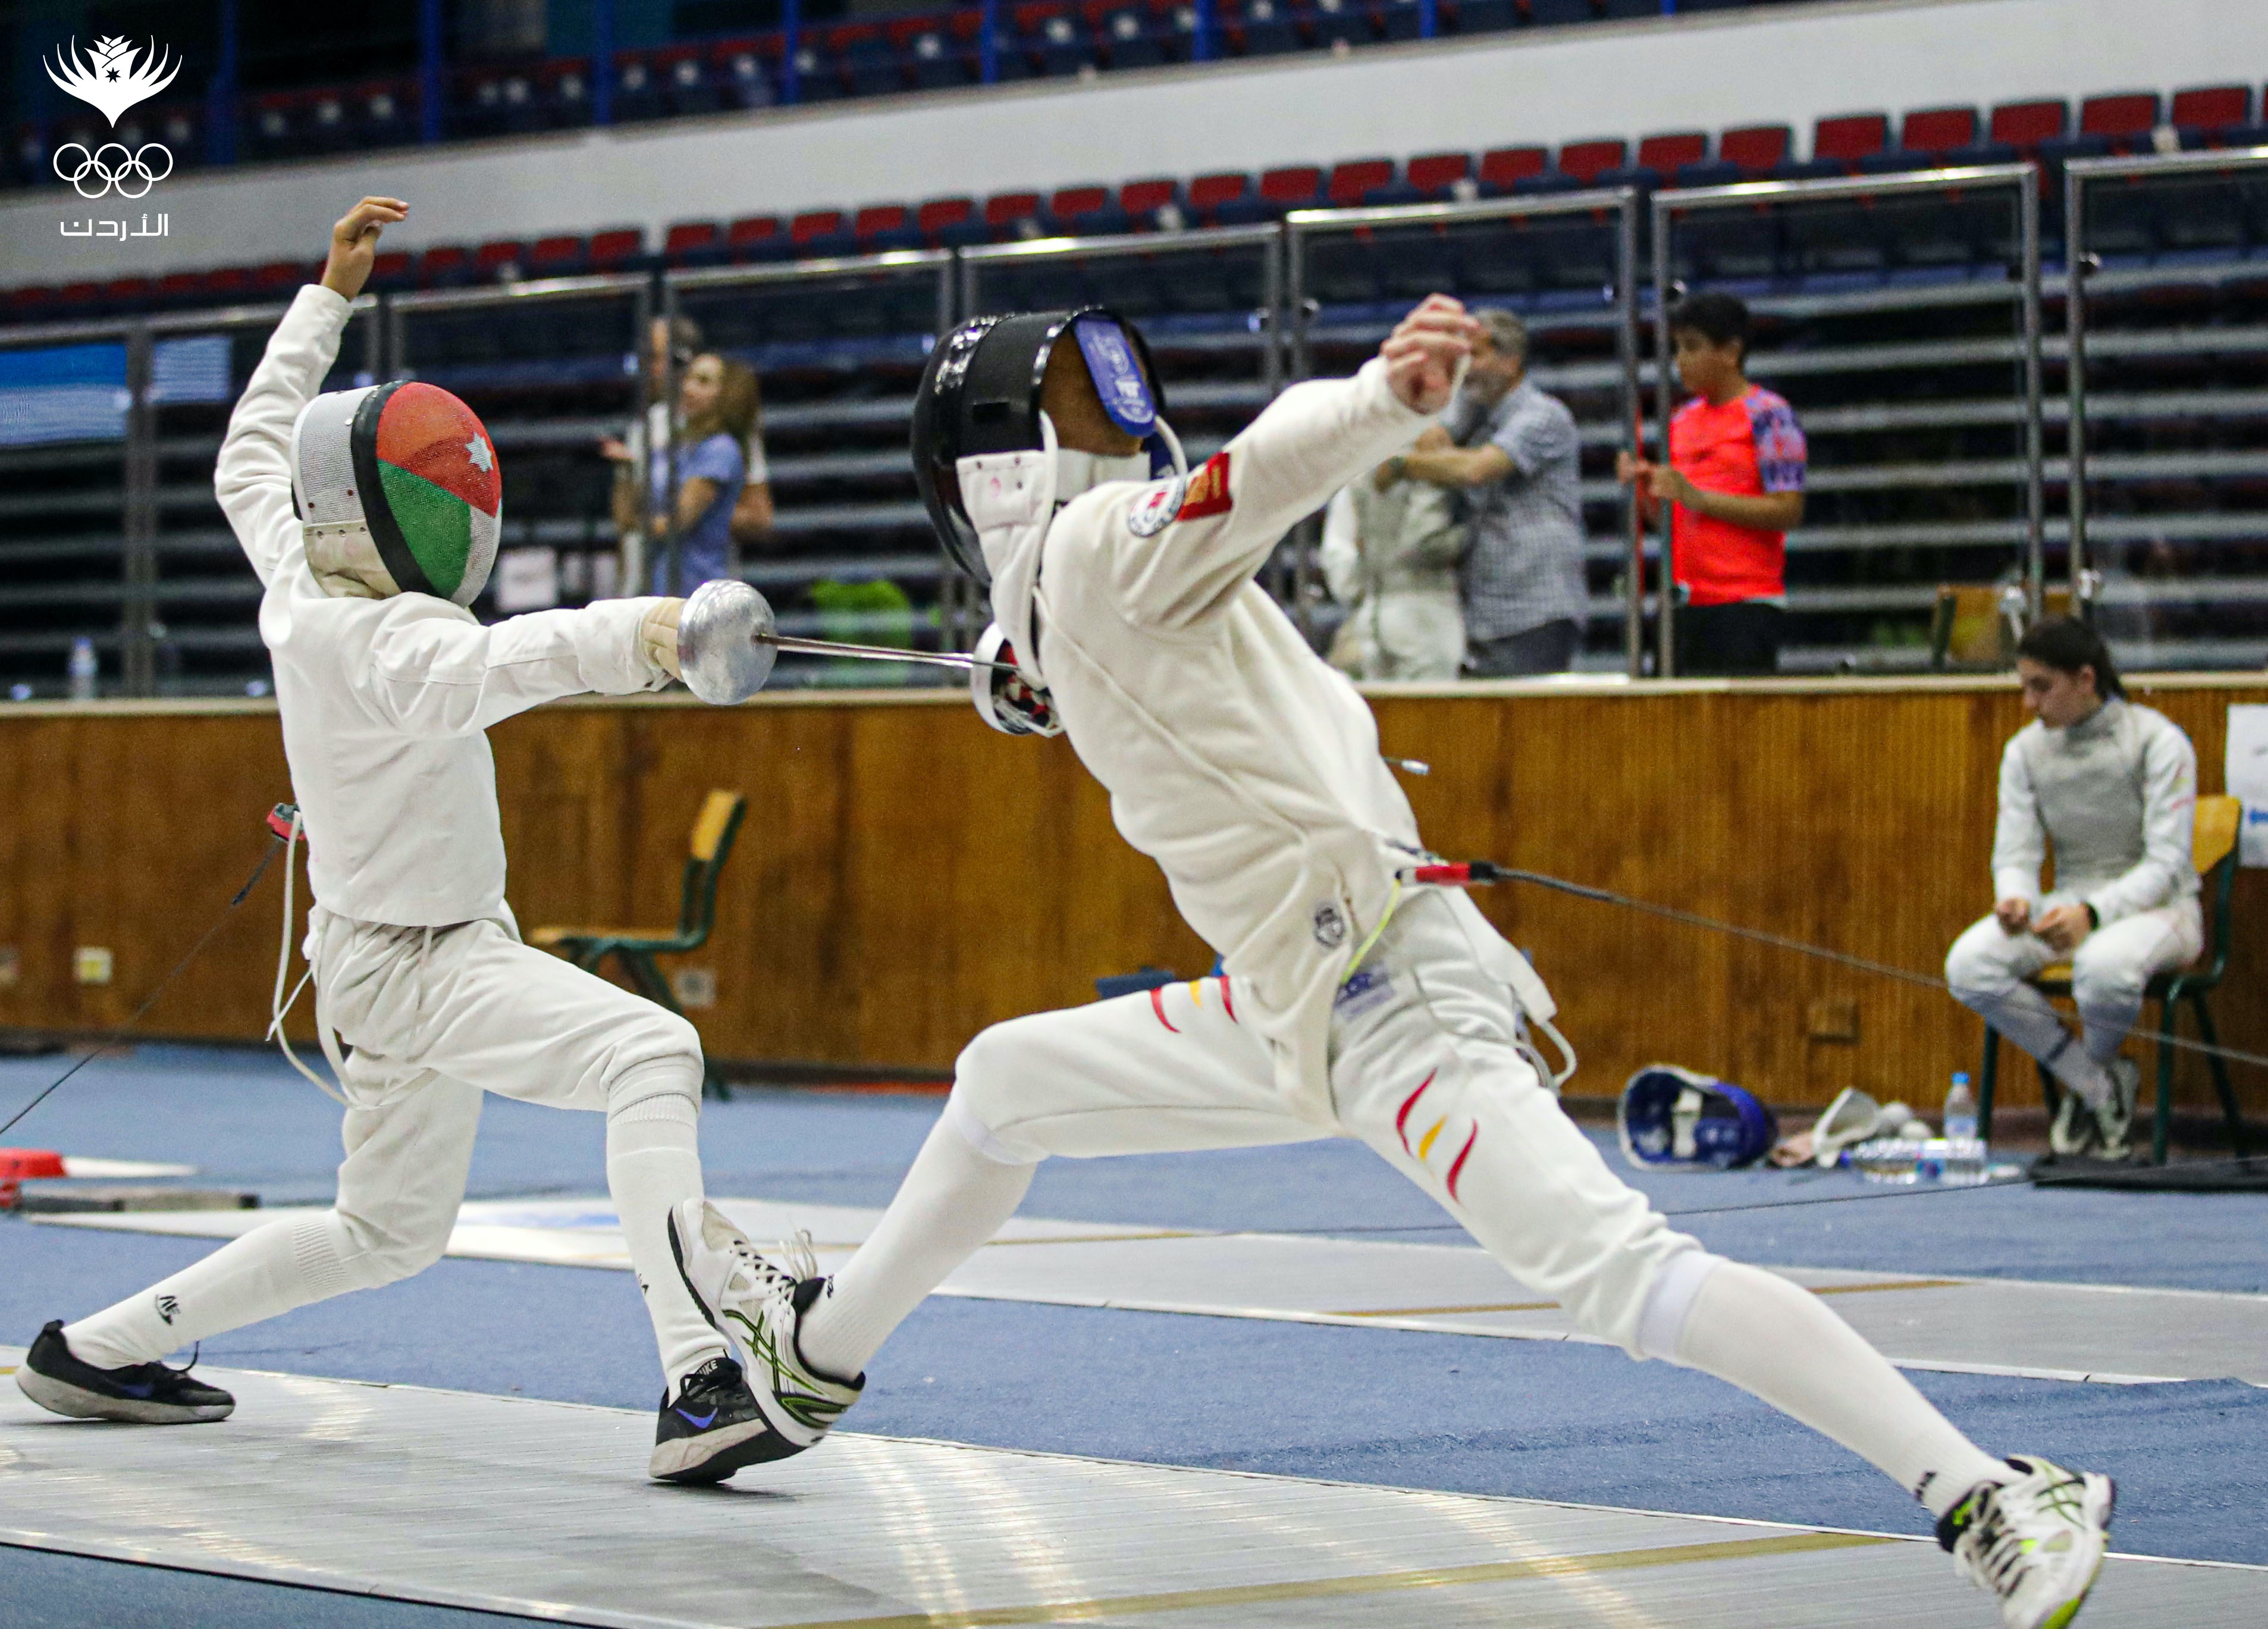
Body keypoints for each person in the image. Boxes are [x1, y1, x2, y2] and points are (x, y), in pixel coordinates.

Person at [667, 297, 2115, 1628]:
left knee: (1624, 1281)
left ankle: (1987, 1491)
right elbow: (1084, 623)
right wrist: (1018, 665)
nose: (1119, 436)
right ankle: (817, 1359)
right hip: (1286, 1001)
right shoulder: (1069, 587)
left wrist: (1377, 400)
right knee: (1004, 1082)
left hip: (1390, 987)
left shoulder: (1105, 556)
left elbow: (1245, 480)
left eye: (1113, 414)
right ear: (1005, 456)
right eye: (1085, 418)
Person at [12, 198, 778, 1486]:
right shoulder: (379, 640)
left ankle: (92, 1347)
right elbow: (502, 658)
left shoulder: (297, 569)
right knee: (655, 1044)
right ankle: (699, 1380)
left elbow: (248, 452)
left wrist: (328, 297)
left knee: (386, 1231)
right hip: (419, 964)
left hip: (381, 957)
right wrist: (651, 632)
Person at [1944, 616, 2199, 1161]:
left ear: (2086, 679)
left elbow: (2166, 862)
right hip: (2071, 904)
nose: (2029, 704)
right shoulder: (2024, 752)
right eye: (2024, 687)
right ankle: (2096, 1085)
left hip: (2164, 909)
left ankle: (2094, 1090)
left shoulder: (2156, 741)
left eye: (2042, 687)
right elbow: (2015, 852)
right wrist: (2014, 897)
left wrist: (2092, 912)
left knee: (2103, 967)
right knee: (1968, 964)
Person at [1384, 308, 1585, 677]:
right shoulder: (1473, 411)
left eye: (1476, 356)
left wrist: (1400, 465)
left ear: (1511, 361)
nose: (1467, 368)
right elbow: (1433, 438)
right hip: (1484, 612)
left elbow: (1476, 470)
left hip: (1535, 608)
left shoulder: (1543, 415)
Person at [1619, 292, 1807, 676]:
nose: (1679, 360)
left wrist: (1697, 498)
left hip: (1743, 604)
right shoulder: (1680, 420)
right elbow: (1667, 521)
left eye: (1691, 347)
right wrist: (1642, 489)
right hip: (1681, 605)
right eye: (1675, 348)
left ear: (1730, 351)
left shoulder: (1770, 416)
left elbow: (1788, 510)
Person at [604, 316, 773, 587]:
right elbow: (630, 522)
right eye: (648, 358)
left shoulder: (728, 439)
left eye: (660, 358)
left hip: (702, 584)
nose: (651, 369)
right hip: (650, 585)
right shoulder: (646, 426)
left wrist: (707, 509)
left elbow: (759, 519)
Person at [1319, 432, 1467, 680]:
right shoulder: (1425, 455)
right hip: (1424, 613)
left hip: (1376, 615)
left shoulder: (1365, 454)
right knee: (1432, 713)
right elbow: (1425, 542)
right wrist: (1465, 537)